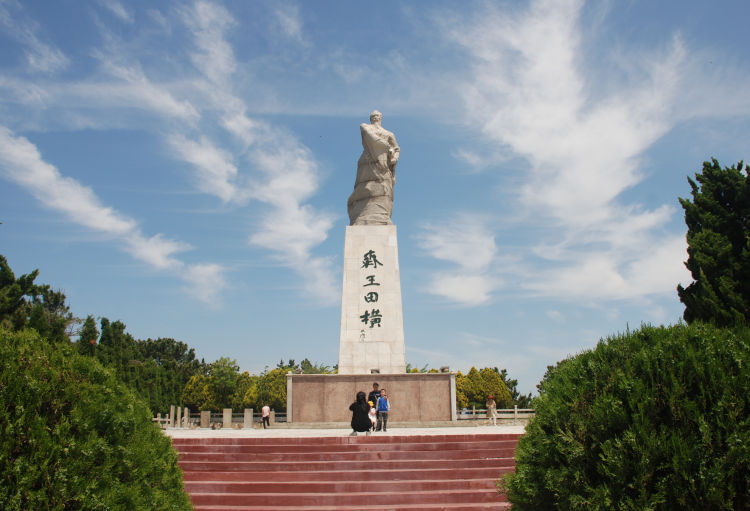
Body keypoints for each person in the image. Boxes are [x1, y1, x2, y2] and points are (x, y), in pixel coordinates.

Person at [347, 110, 400, 225]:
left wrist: (394, 158)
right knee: (364, 187)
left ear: (381, 118)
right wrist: (384, 145)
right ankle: (361, 215)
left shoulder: (389, 133)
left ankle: (382, 216)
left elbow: (396, 148)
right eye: (373, 116)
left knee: (385, 188)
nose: (375, 117)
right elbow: (367, 133)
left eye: (377, 116)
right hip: (367, 162)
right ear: (371, 118)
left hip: (383, 164)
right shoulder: (366, 127)